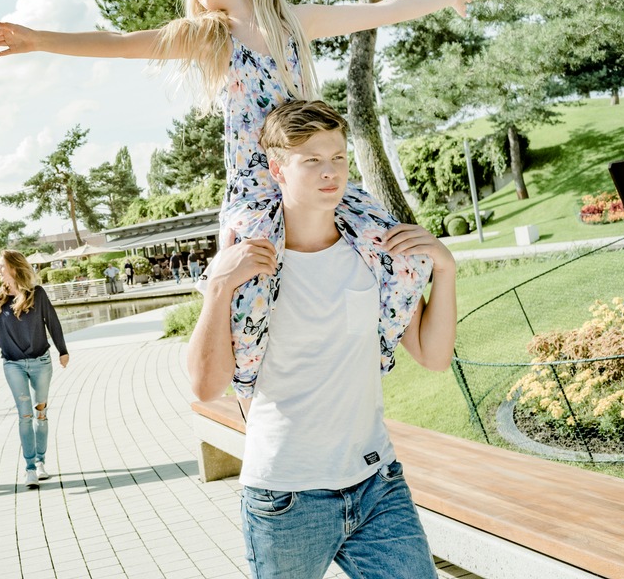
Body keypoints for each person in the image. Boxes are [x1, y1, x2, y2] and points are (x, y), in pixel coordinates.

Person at [0, 0, 477, 399]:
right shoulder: (211, 36)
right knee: (251, 287)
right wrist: (40, 39)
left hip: (316, 175)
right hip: (257, 193)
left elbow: (375, 12)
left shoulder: (292, 24)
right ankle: (250, 379)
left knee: (399, 249)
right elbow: (122, 41)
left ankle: (384, 342)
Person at [188, 100, 457, 579]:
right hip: (287, 497)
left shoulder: (374, 253)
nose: (330, 172)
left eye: (338, 158)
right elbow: (206, 387)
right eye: (311, 160)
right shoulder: (248, 267)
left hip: (377, 483)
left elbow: (434, 357)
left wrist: (446, 269)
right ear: (277, 169)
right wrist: (217, 286)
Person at [0, 250, 70, 489]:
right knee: (24, 415)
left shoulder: (37, 295)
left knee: (40, 414)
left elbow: (53, 322)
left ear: (14, 268)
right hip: (13, 364)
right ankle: (29, 468)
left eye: (1, 265)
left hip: (41, 362)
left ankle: (41, 462)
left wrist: (62, 350)